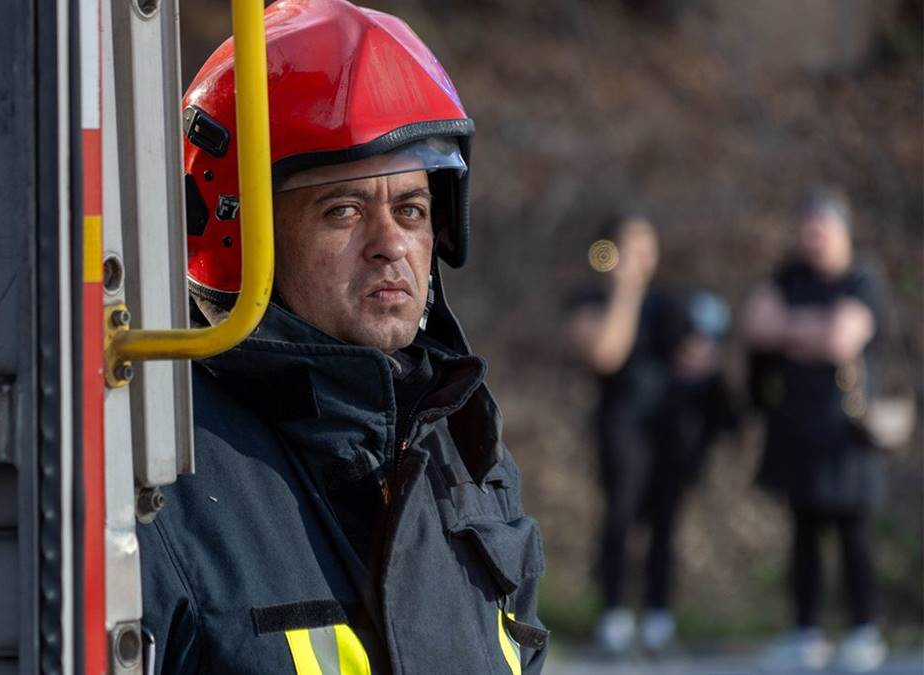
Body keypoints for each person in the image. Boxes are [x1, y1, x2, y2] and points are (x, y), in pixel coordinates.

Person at [138, 1, 547, 673]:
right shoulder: (159, 472)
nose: (391, 245)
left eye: (411, 209)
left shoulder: (471, 456)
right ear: (238, 234)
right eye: (344, 210)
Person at [566, 214, 735, 656]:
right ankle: (614, 614)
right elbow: (606, 353)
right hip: (620, 426)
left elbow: (699, 358)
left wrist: (705, 356)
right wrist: (625, 292)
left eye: (647, 248)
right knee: (619, 517)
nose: (640, 258)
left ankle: (659, 617)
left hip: (667, 429)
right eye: (631, 247)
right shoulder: (593, 299)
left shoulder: (671, 302)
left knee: (665, 521)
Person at [745, 188, 889, 673]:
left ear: (842, 230)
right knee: (803, 533)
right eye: (806, 231)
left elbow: (839, 339)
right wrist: (812, 328)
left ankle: (864, 629)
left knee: (854, 532)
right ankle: (805, 631)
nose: (811, 240)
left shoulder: (863, 279)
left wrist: (790, 330)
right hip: (797, 426)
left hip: (848, 430)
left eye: (820, 230)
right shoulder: (787, 277)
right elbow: (757, 325)